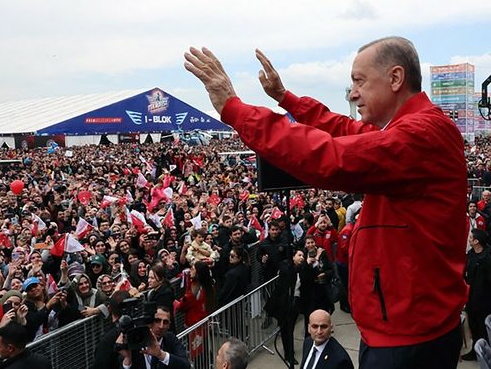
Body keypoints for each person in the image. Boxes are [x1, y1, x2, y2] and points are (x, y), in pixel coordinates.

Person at [185, 36, 467, 369]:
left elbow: (334, 157)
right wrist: (285, 99)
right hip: (404, 330)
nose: (352, 93)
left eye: (359, 81)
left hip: (410, 338)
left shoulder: (421, 134)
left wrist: (235, 109)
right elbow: (342, 129)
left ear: (395, 78)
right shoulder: (407, 129)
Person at [116, 306, 190, 369]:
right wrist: (128, 359)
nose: (161, 326)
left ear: (169, 325)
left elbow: (186, 365)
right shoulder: (134, 340)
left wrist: (161, 355)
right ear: (149, 322)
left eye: (165, 322)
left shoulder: (170, 339)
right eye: (157, 321)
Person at [461, 229, 491, 361]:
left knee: (482, 328)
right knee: (473, 326)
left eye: (471, 237)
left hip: (484, 301)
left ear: (477, 241)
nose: (469, 239)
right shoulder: (471, 254)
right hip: (471, 299)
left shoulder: (488, 258)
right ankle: (475, 351)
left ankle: (486, 354)